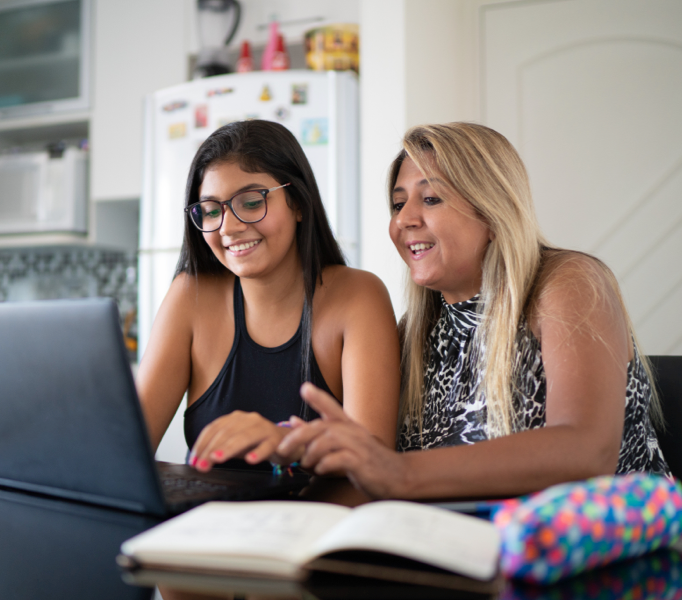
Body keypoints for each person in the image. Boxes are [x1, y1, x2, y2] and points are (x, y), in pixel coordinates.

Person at [277, 122, 670, 498]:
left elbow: (587, 452)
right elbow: (364, 470)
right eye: (398, 203)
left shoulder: (566, 282)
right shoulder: (415, 332)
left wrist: (399, 473)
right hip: (463, 551)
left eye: (430, 198)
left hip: (606, 549)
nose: (403, 219)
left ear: (493, 212)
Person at [135, 119, 400, 472]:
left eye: (250, 201)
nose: (228, 227)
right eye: (212, 210)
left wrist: (287, 443)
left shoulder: (358, 297)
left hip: (317, 523)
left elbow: (377, 471)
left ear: (298, 203)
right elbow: (129, 451)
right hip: (207, 522)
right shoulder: (189, 297)